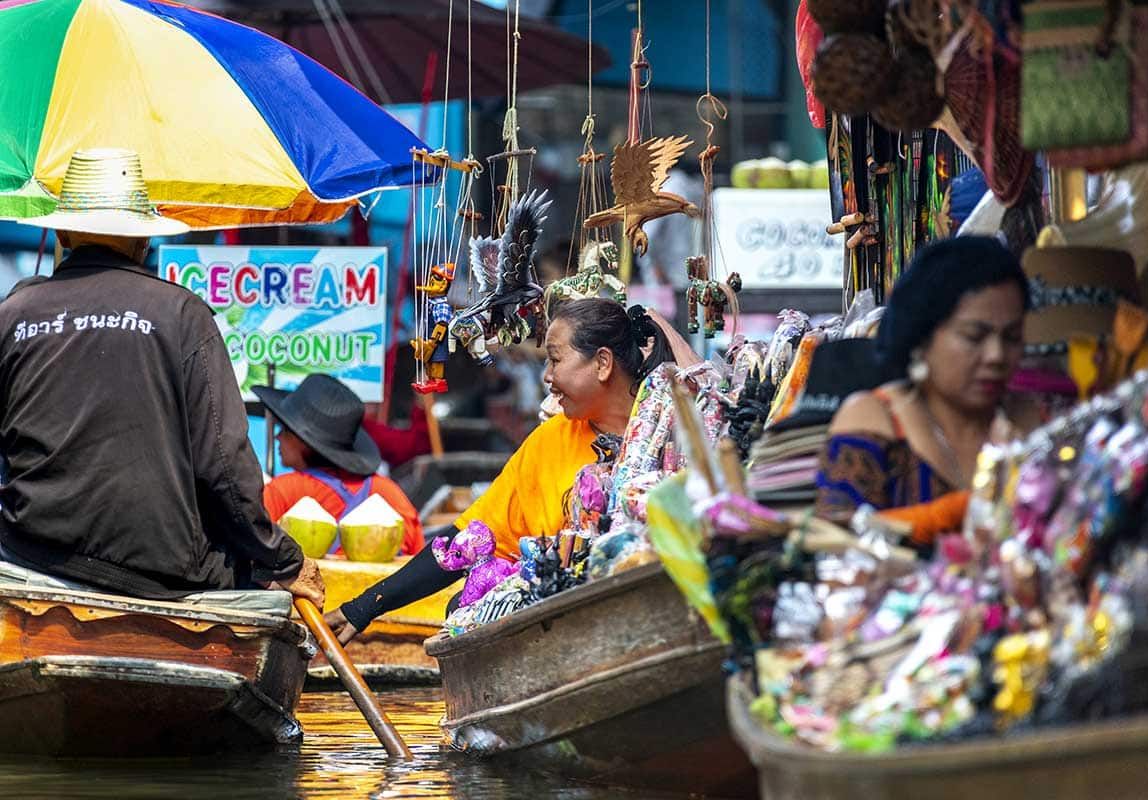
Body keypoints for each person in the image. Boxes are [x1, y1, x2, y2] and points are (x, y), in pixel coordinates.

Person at [0, 148, 322, 605]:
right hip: (159, 570)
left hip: (29, 553)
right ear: (144, 240)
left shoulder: (13, 313)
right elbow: (225, 470)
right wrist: (284, 561)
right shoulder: (181, 312)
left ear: (62, 231)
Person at [324, 298, 688, 642]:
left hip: (661, 615)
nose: (546, 377)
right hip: (565, 629)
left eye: (555, 360)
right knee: (462, 609)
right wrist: (365, 606)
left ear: (603, 363)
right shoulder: (550, 440)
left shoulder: (676, 428)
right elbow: (464, 540)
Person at [815, 236, 1036, 537]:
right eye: (974, 336)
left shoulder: (1033, 422)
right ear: (923, 335)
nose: (996, 356)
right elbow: (835, 545)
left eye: (1011, 337)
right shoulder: (875, 421)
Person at [256, 373, 423, 555]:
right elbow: (420, 563)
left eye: (286, 429)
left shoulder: (282, 492)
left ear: (304, 441)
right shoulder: (392, 495)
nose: (277, 436)